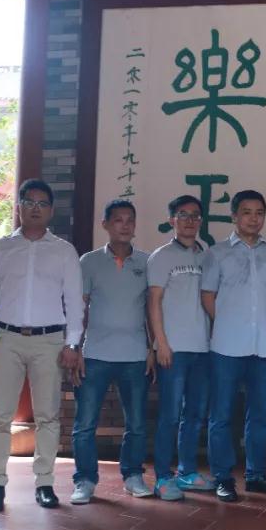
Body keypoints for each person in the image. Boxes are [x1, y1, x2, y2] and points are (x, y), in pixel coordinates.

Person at [0, 179, 85, 513]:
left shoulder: (63, 251)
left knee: (48, 416)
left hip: (50, 342)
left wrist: (73, 343)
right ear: (19, 206)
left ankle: (44, 484)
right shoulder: (0, 248)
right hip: (7, 339)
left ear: (51, 210)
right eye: (29, 202)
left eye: (42, 203)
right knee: (0, 416)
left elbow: (74, 301)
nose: (35, 208)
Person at [202, 190, 266, 502]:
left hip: (264, 346)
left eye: (259, 212)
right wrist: (227, 321)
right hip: (226, 347)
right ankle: (223, 477)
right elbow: (207, 296)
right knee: (221, 415)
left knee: (260, 415)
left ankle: (255, 474)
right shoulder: (217, 253)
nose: (253, 218)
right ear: (234, 216)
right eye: (247, 212)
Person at [70, 200, 152, 504]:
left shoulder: (146, 262)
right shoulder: (89, 262)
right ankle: (85, 480)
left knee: (137, 424)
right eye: (118, 220)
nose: (125, 225)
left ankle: (133, 476)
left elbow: (152, 309)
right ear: (105, 224)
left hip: (135, 355)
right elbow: (79, 308)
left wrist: (153, 348)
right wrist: (75, 347)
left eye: (130, 220)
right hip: (94, 355)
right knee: (85, 424)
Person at [146, 195, 215, 501]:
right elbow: (153, 302)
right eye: (183, 215)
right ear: (172, 220)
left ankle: (187, 472)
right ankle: (163, 477)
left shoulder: (207, 255)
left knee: (195, 414)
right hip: (172, 349)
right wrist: (160, 343)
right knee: (170, 415)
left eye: (195, 215)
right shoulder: (161, 257)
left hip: (203, 348)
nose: (189, 221)